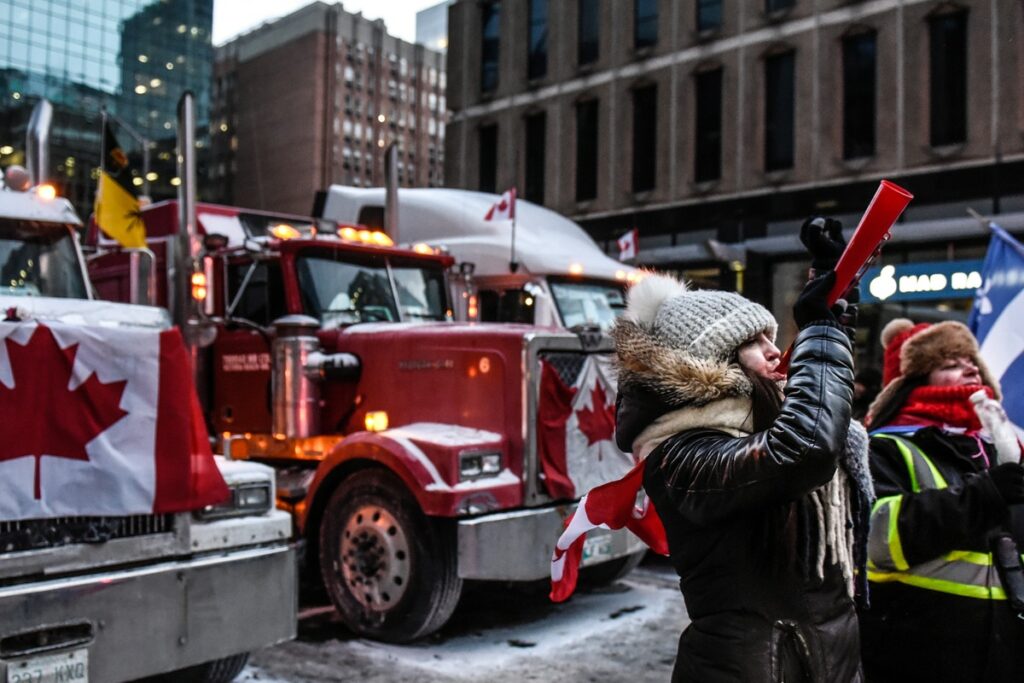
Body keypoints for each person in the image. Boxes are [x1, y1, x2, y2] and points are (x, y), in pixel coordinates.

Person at [612, 217, 873, 682]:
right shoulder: (678, 454)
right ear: (711, 363)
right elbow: (804, 447)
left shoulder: (767, 422)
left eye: (772, 336)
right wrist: (822, 332)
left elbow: (810, 426)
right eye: (753, 342)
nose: (775, 351)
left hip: (824, 662)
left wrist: (835, 300)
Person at [859, 318, 1024, 682]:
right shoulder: (885, 448)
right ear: (912, 384)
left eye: (971, 362)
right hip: (918, 653)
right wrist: (983, 496)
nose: (969, 368)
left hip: (1004, 655)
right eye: (950, 364)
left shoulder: (1001, 452)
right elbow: (877, 540)